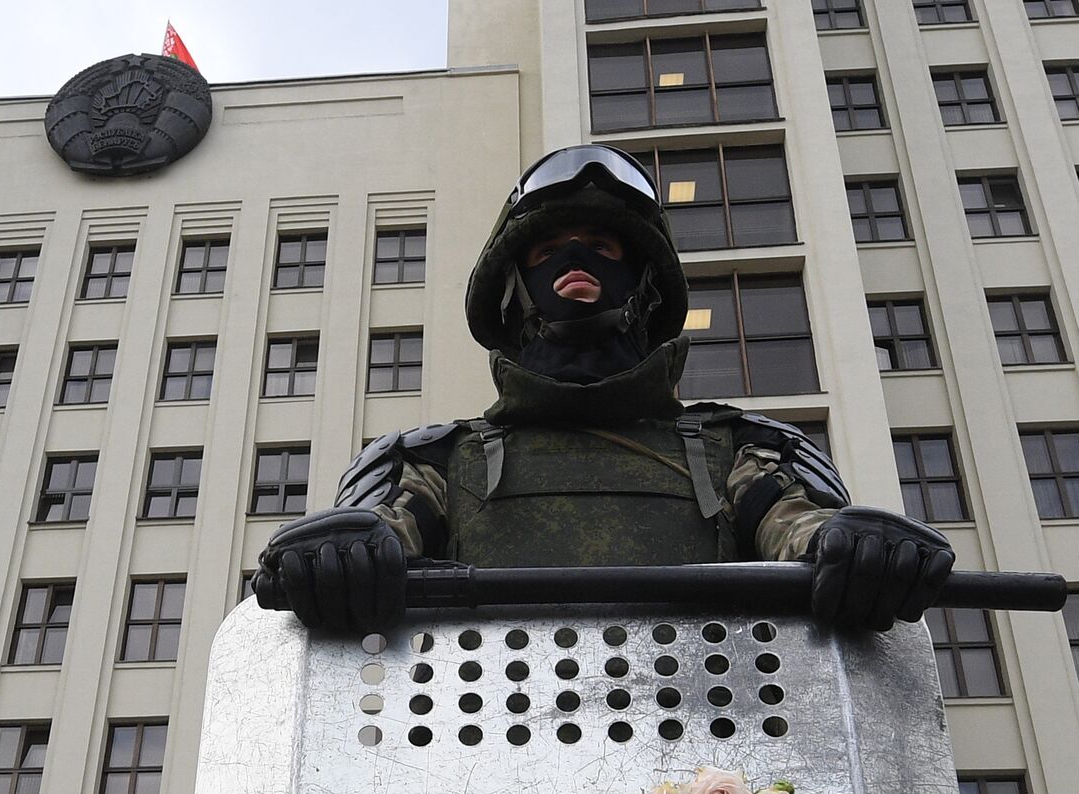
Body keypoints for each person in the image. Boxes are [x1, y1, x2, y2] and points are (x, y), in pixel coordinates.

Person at [253, 145, 954, 634]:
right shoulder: (434, 462)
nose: (574, 261)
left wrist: (849, 545)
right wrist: (339, 553)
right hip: (485, 747)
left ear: (643, 285)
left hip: (708, 750)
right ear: (516, 291)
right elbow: (385, 533)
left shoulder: (742, 452)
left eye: (602, 247)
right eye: (548, 251)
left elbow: (797, 529)